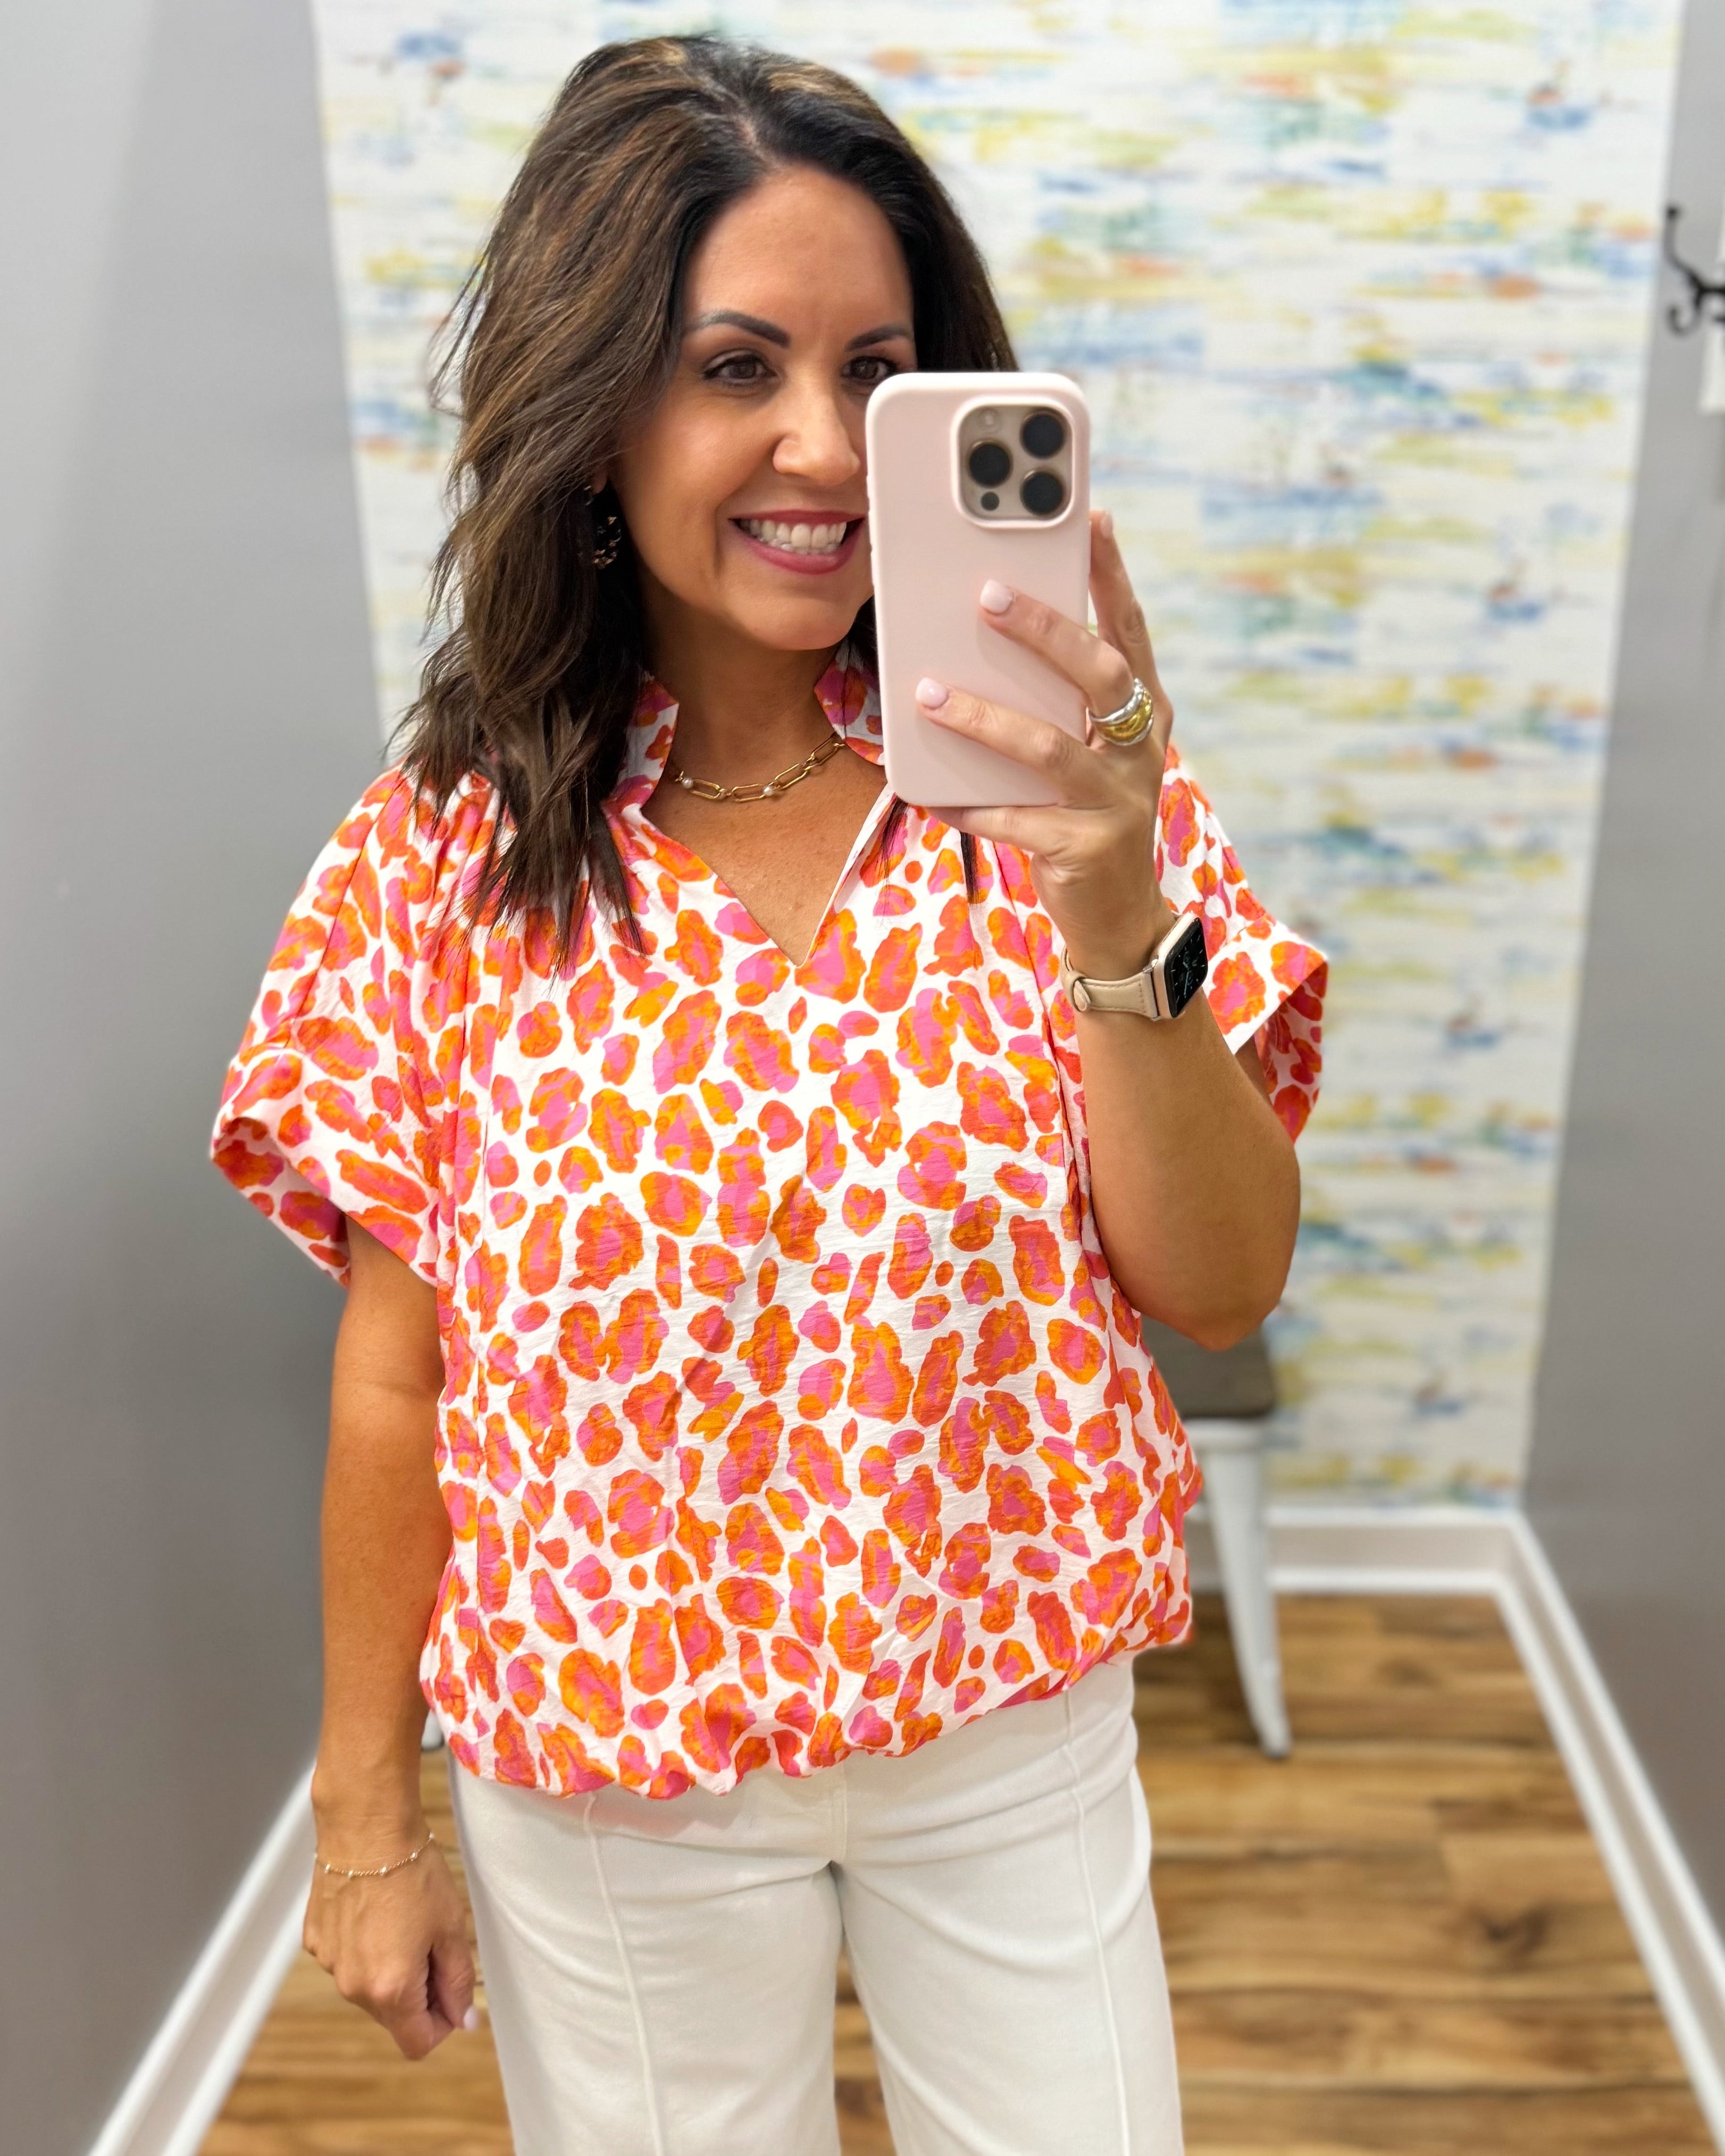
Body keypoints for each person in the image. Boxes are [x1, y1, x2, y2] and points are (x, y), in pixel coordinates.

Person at [214, 35, 1325, 2156]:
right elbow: (392, 1381)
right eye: (735, 365)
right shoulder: (439, 857)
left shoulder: (1064, 797)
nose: (817, 441)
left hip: (1006, 1720)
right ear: (596, 406)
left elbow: (1219, 1284)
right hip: (605, 1768)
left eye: (875, 369)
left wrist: (1115, 896)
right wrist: (367, 1810)